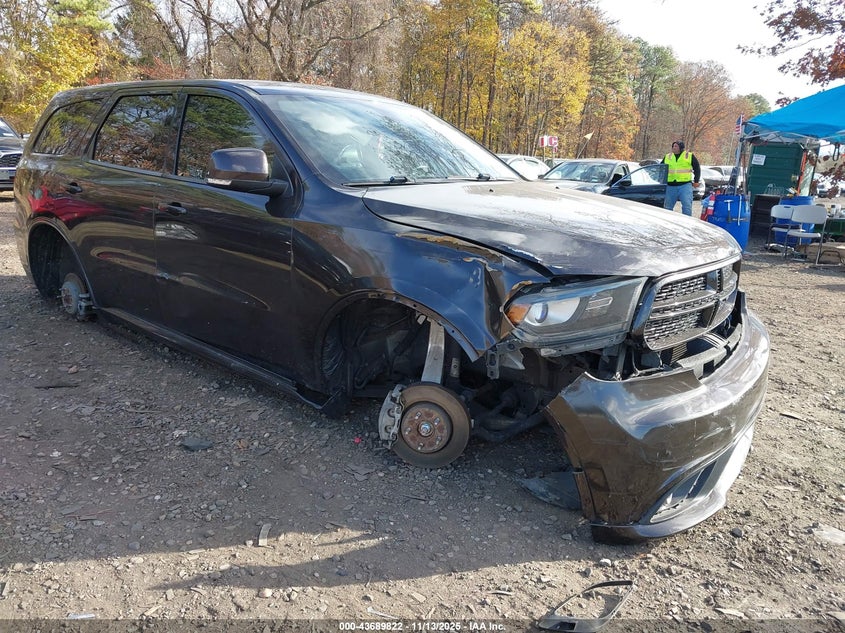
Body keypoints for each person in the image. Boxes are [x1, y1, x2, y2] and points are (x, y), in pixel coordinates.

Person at [662, 140, 701, 216]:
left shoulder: (689, 155)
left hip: (685, 185)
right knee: (667, 207)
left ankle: (687, 223)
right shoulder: (668, 156)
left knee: (687, 206)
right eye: (673, 146)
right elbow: (661, 169)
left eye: (676, 146)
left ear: (681, 148)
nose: (674, 148)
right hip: (671, 186)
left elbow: (697, 168)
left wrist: (696, 181)